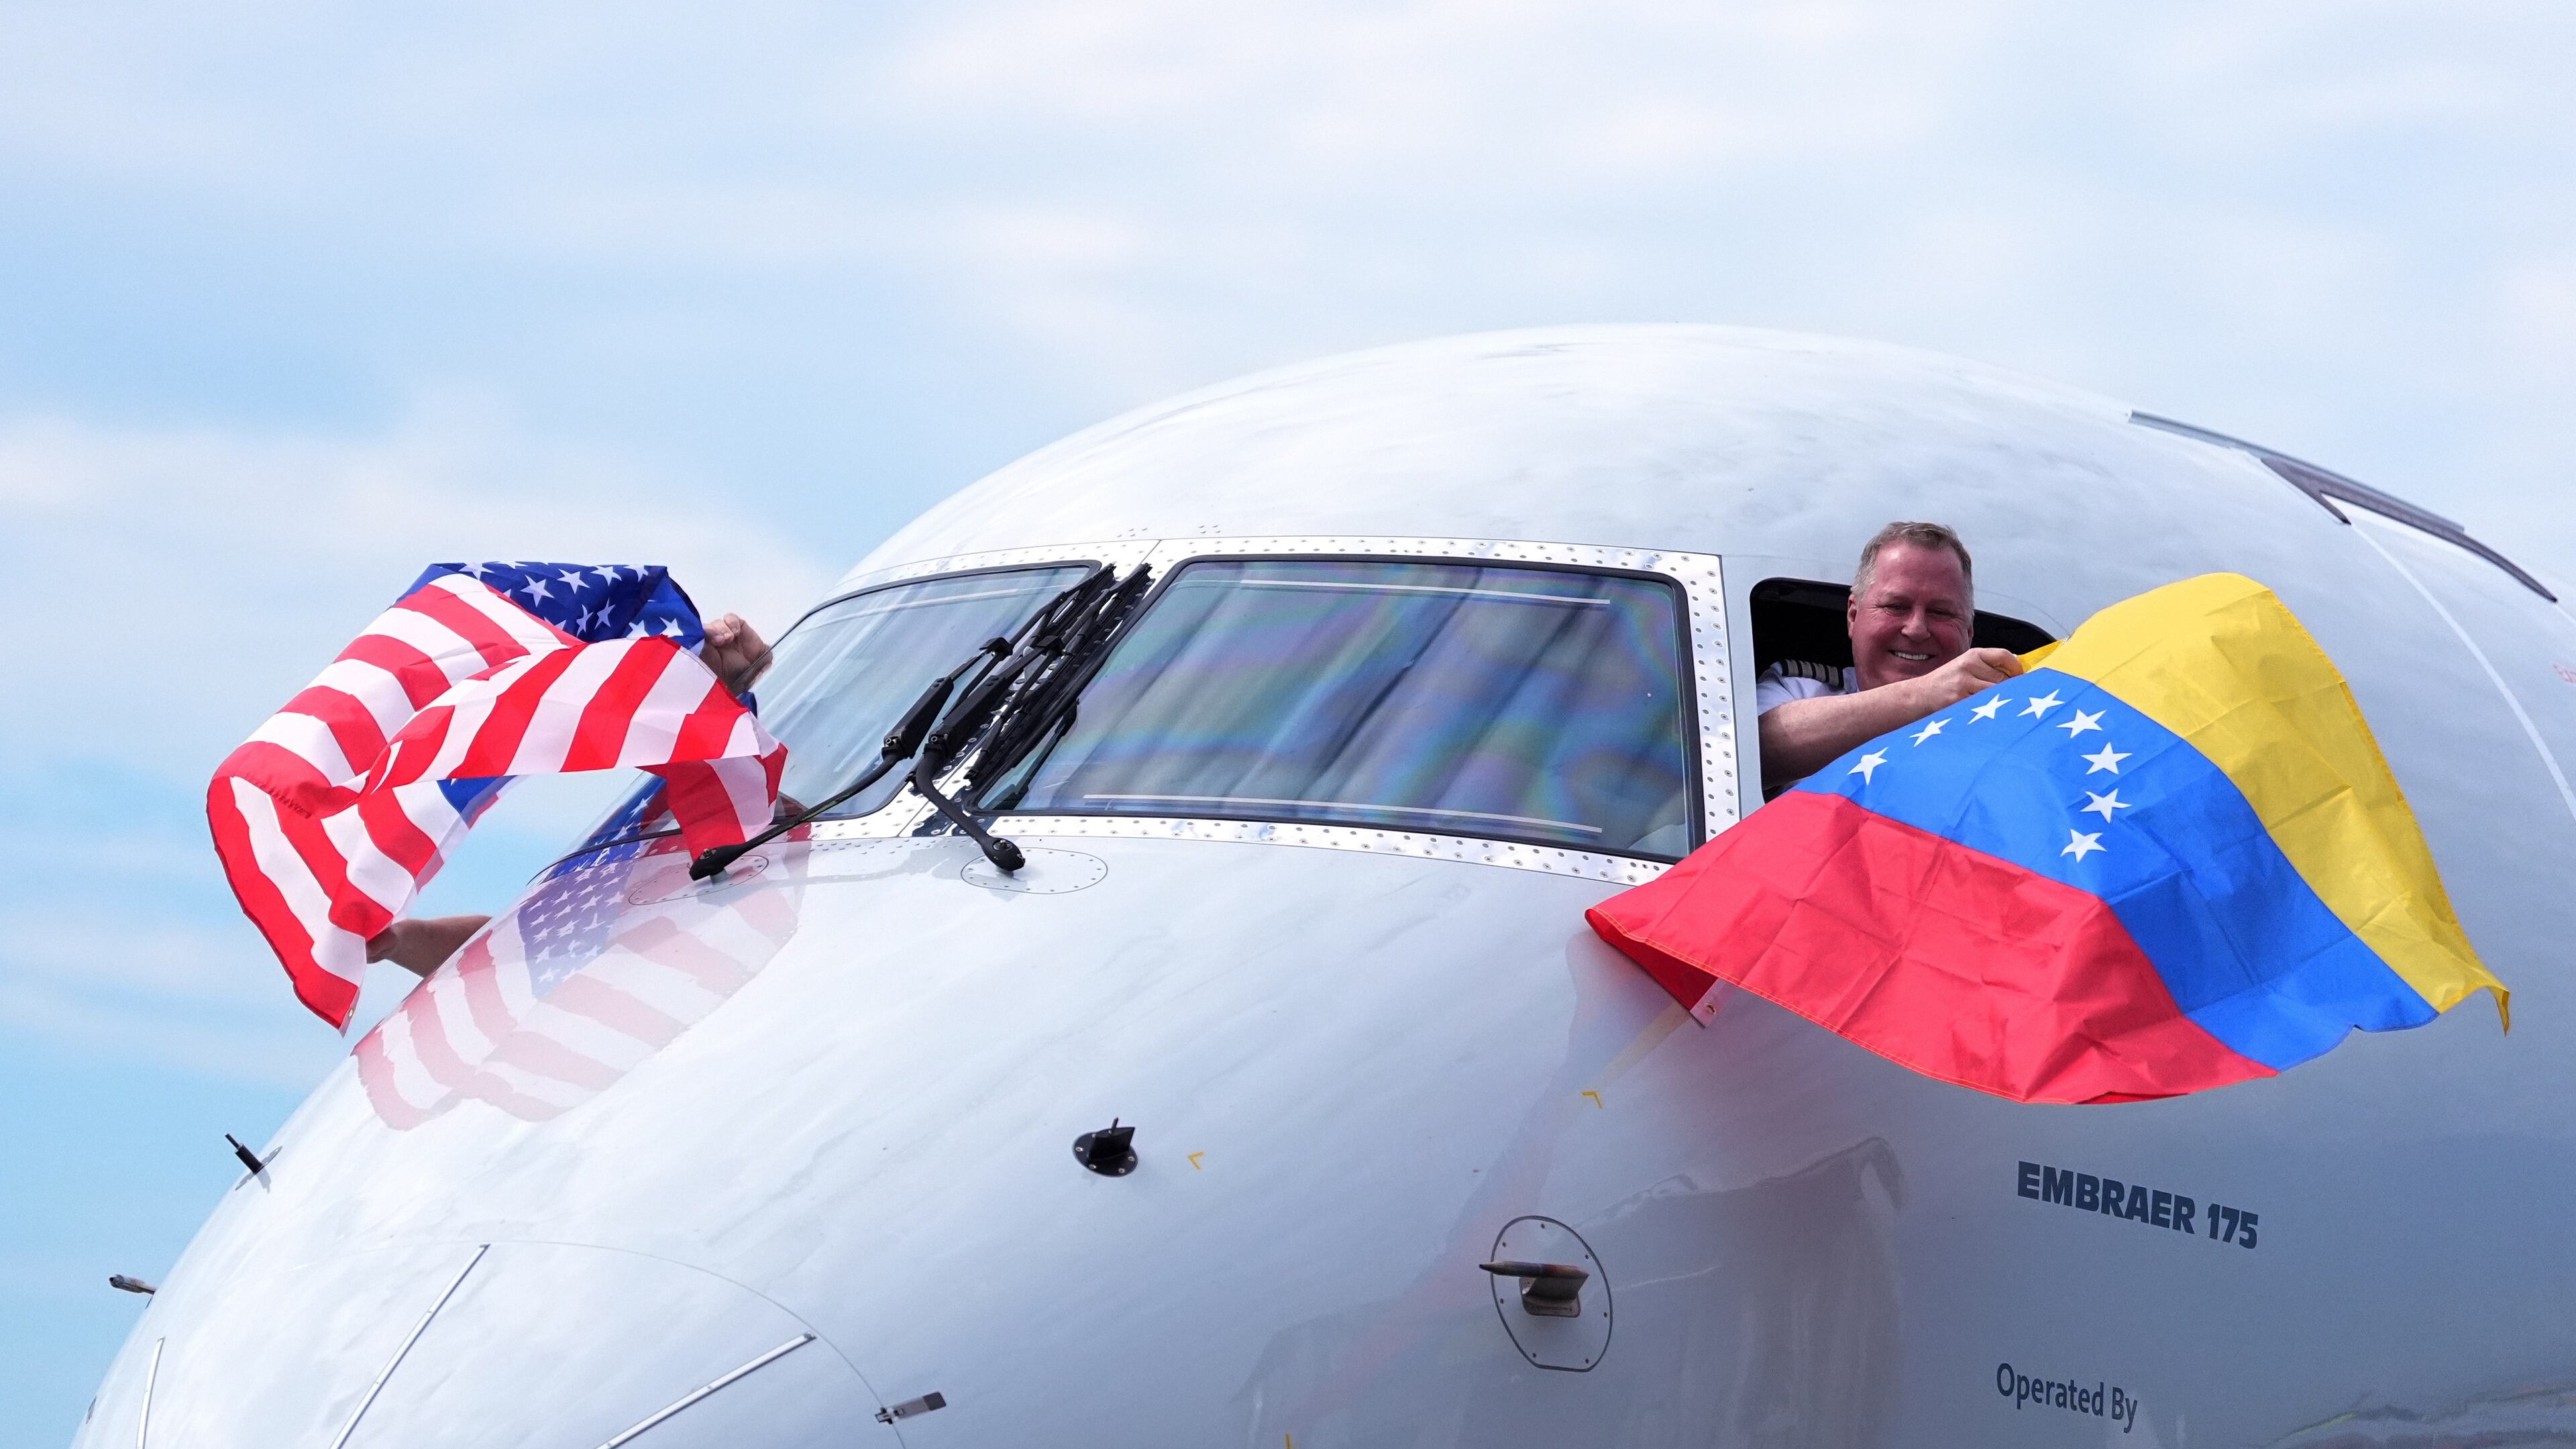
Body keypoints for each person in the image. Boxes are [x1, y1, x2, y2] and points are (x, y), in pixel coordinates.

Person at [366, 612, 772, 977]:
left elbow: (781, 827)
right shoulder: (624, 858)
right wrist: (400, 941)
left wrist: (719, 694)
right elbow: (518, 948)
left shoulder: (743, 837)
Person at [1756, 521, 2024, 792]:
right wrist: (1921, 696)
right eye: (1896, 607)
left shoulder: (2004, 723)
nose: (1917, 629)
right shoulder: (1800, 690)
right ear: (1853, 615)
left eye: (1941, 613)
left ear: (1968, 632)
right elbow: (1751, 751)